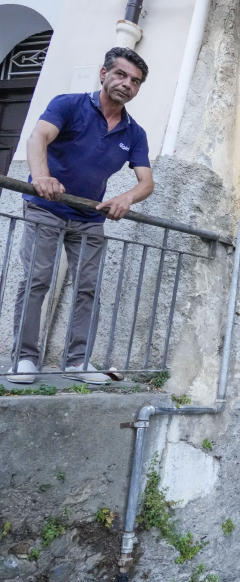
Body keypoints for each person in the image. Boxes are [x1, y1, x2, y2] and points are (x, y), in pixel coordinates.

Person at [6, 47, 154, 385]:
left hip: (89, 217)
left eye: (135, 81)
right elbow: (38, 137)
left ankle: (76, 363)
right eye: (120, 74)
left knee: (88, 288)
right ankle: (24, 359)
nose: (126, 84)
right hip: (46, 207)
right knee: (37, 280)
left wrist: (126, 198)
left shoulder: (135, 133)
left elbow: (146, 182)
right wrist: (41, 176)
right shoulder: (68, 104)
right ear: (104, 74)